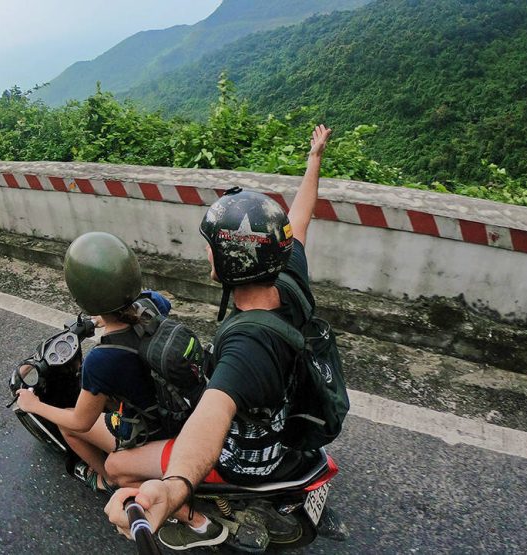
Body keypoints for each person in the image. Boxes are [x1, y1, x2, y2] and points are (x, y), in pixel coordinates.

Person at [103, 125, 333, 550]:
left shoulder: (248, 346)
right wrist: (314, 159)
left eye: (212, 246)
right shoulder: (289, 272)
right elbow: (300, 215)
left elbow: (210, 419)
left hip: (248, 458)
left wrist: (172, 489)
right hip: (283, 414)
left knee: (117, 465)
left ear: (234, 259)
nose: (207, 251)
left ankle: (195, 522)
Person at [17, 231, 172, 494]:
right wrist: (101, 319)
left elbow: (81, 422)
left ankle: (106, 479)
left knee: (68, 425)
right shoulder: (152, 304)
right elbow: (148, 301)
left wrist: (35, 405)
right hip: (170, 404)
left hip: (151, 431)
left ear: (83, 298)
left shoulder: (102, 359)